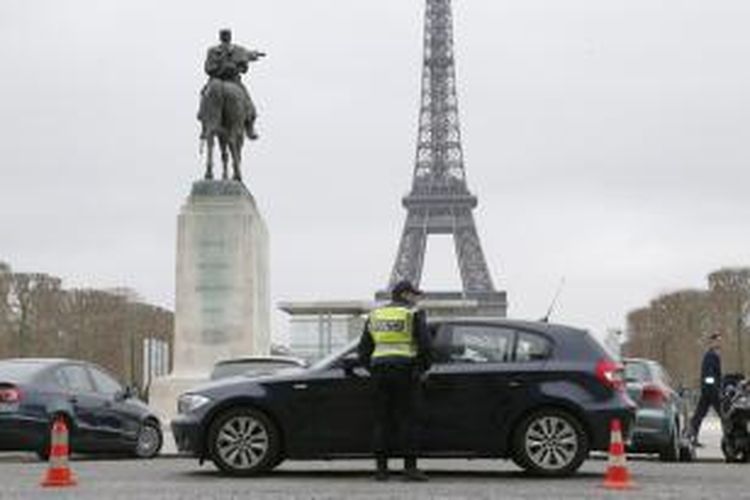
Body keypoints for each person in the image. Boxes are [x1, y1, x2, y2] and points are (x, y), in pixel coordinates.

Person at [358, 280, 431, 482]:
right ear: (406, 294)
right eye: (414, 294)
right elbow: (425, 345)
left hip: (380, 371)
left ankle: (381, 470)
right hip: (405, 371)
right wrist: (421, 369)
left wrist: (372, 368)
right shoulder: (412, 313)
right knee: (408, 419)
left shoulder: (375, 315)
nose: (416, 297)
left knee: (381, 420)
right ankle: (410, 469)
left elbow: (363, 349)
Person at [200, 29, 264, 140]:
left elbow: (247, 55)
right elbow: (208, 67)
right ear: (221, 37)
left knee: (247, 101)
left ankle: (250, 126)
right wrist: (222, 69)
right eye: (224, 35)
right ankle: (205, 124)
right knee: (204, 95)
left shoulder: (237, 49)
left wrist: (253, 55)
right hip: (220, 79)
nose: (226, 37)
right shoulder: (212, 50)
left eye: (227, 35)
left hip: (232, 80)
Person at [689, 332, 722, 446]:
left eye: (719, 340)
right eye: (716, 340)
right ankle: (729, 439)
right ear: (711, 342)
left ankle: (691, 436)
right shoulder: (711, 355)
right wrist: (715, 388)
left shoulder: (713, 355)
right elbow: (709, 375)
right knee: (723, 414)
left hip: (708, 390)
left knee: (699, 415)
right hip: (711, 391)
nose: (718, 342)